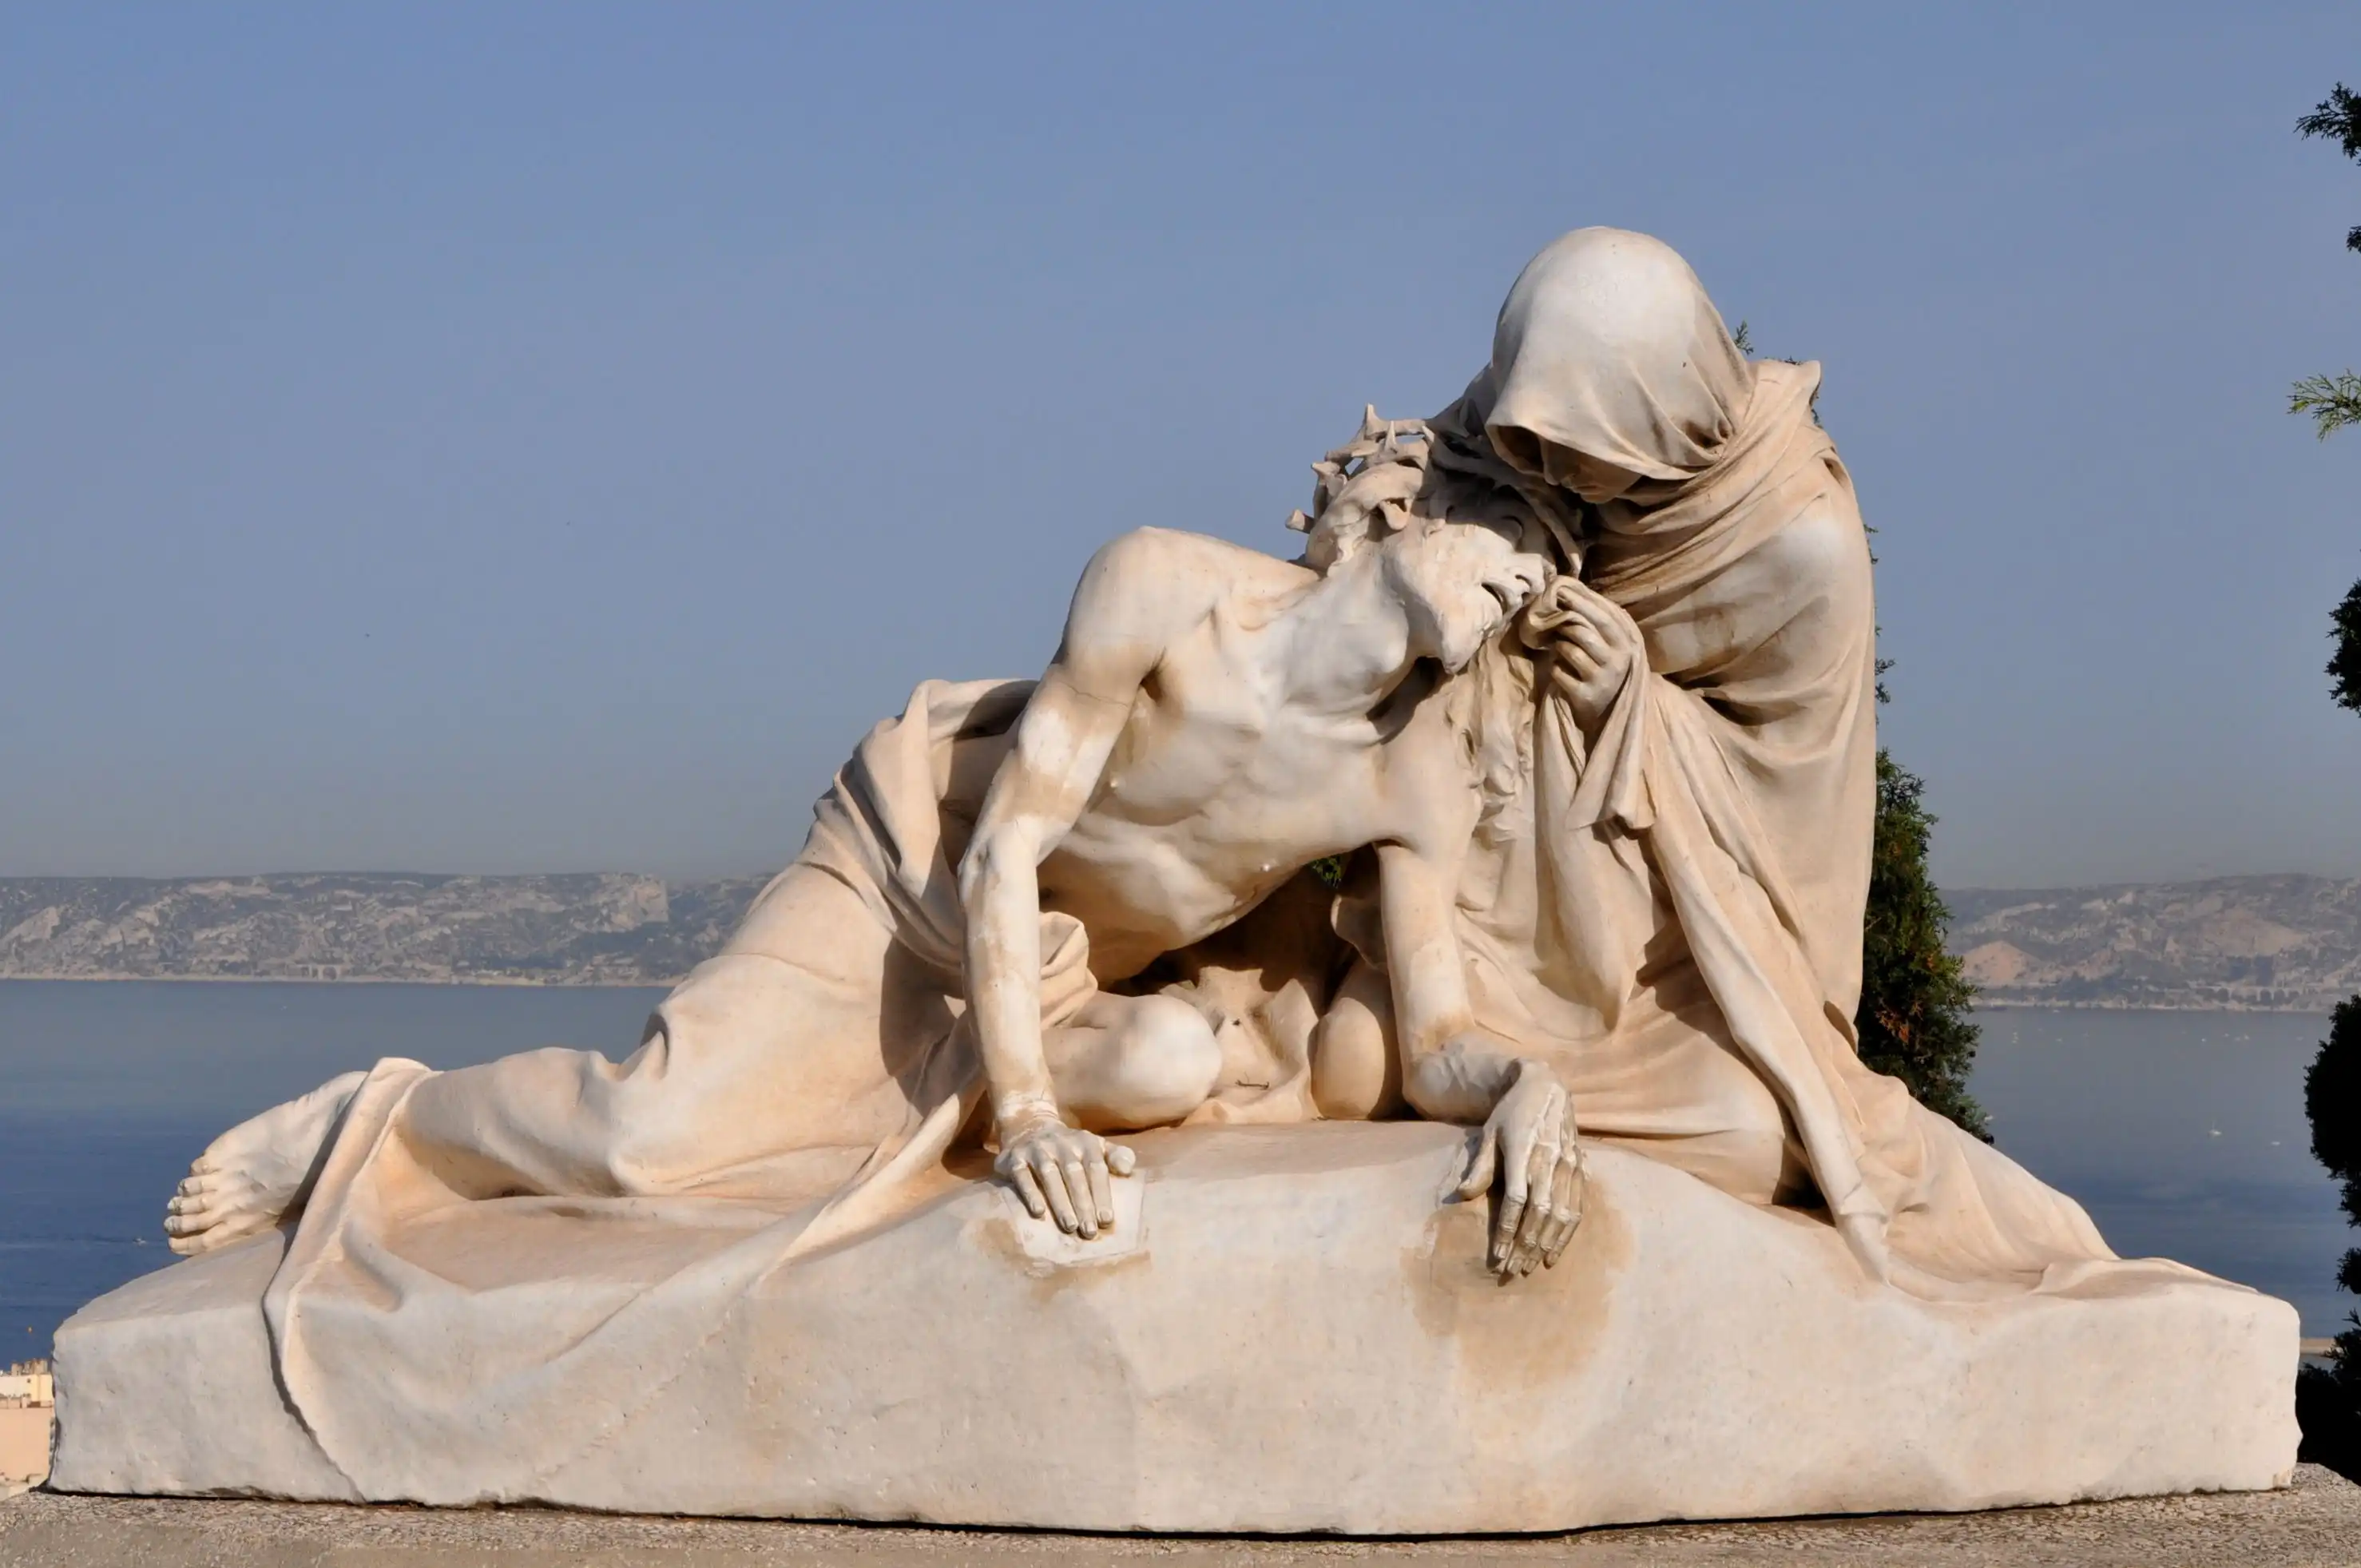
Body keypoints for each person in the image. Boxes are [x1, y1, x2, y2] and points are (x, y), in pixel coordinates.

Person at [162, 434, 1588, 1278]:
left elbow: (1436, 1035)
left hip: (1064, 973)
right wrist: (1028, 1117)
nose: (1532, 577)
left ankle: (917, 1117)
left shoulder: (1408, 776)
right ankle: (384, 1116)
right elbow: (1006, 845)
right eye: (1515, 534)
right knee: (641, 1138)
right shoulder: (1166, 585)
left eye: (1552, 569)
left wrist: (1524, 1085)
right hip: (914, 876)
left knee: (1168, 1061)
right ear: (1408, 511)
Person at [1311, 228, 2118, 1294]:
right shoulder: (1529, 429)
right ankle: (1490, 1058)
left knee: (1750, 1135)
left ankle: (1550, 1086)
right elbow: (1428, 493)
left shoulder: (1798, 541)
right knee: (1351, 1064)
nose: (1544, 471)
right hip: (1491, 896)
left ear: (1655, 410)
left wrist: (1631, 701)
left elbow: (1798, 805)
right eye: (1529, 437)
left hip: (1675, 953)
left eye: (1569, 448)